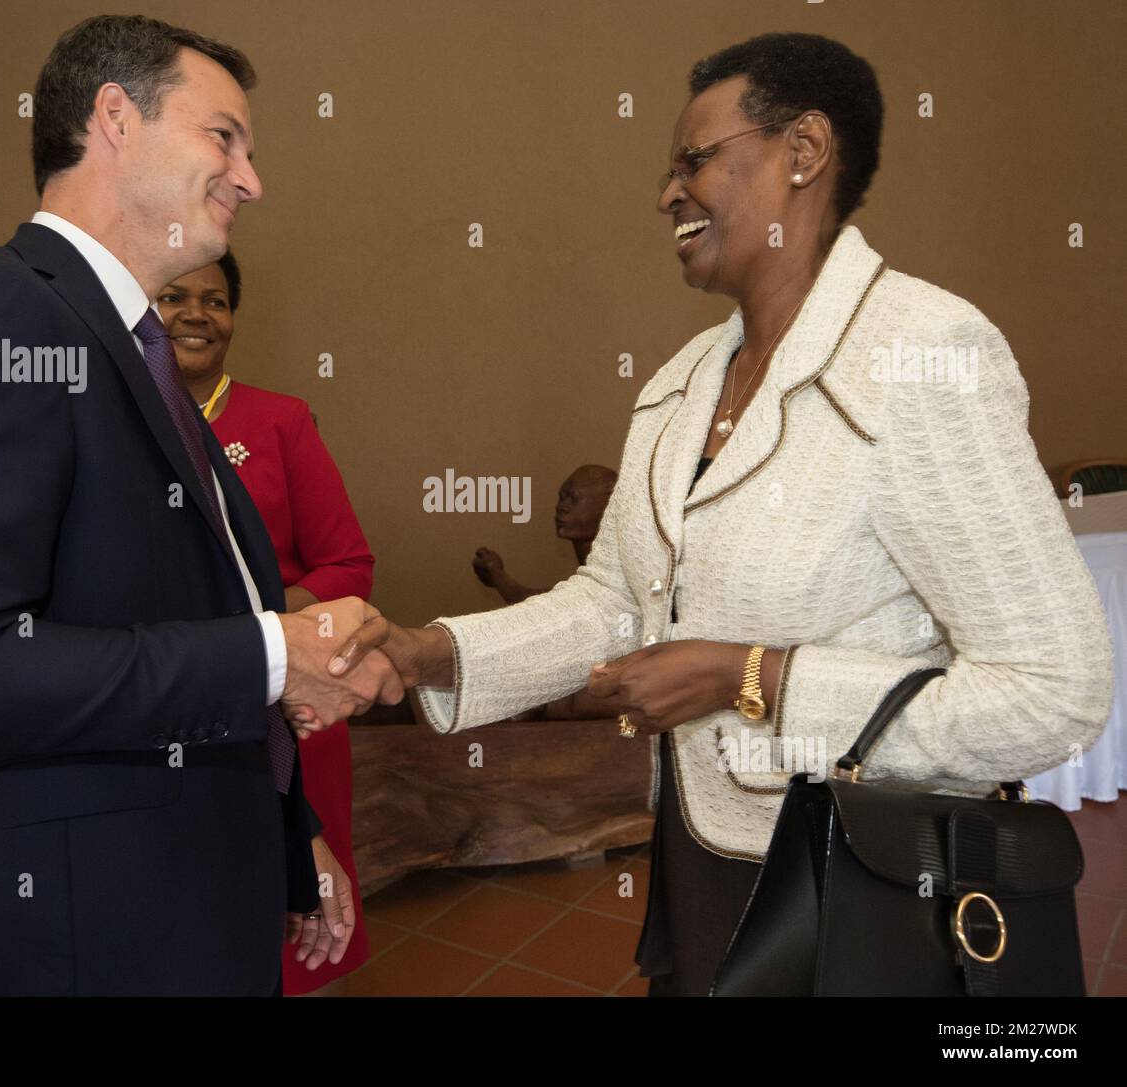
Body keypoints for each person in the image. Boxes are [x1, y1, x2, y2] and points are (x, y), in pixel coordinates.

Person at [310, 32, 1114, 996]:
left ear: (804, 152)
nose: (667, 193)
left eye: (695, 161)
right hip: (703, 858)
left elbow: (1055, 690)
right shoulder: (682, 383)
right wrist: (426, 652)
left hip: (868, 883)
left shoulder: (923, 354)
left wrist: (754, 679)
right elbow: (612, 601)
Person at [0, 14, 400, 997]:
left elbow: (179, 622)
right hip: (86, 937)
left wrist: (287, 833)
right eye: (223, 137)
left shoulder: (142, 360)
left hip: (198, 900)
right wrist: (279, 652)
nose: (249, 178)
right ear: (114, 116)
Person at [158, 252, 373, 995]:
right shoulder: (122, 422)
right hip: (174, 704)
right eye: (175, 296)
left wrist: (257, 633)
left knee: (305, 918)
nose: (196, 314)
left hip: (294, 706)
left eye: (215, 301)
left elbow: (349, 567)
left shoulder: (280, 419)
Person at [472, 465, 617, 604]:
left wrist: (496, 574)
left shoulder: (614, 573)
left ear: (609, 506)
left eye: (573, 499)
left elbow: (544, 608)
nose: (561, 507)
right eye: (562, 497)